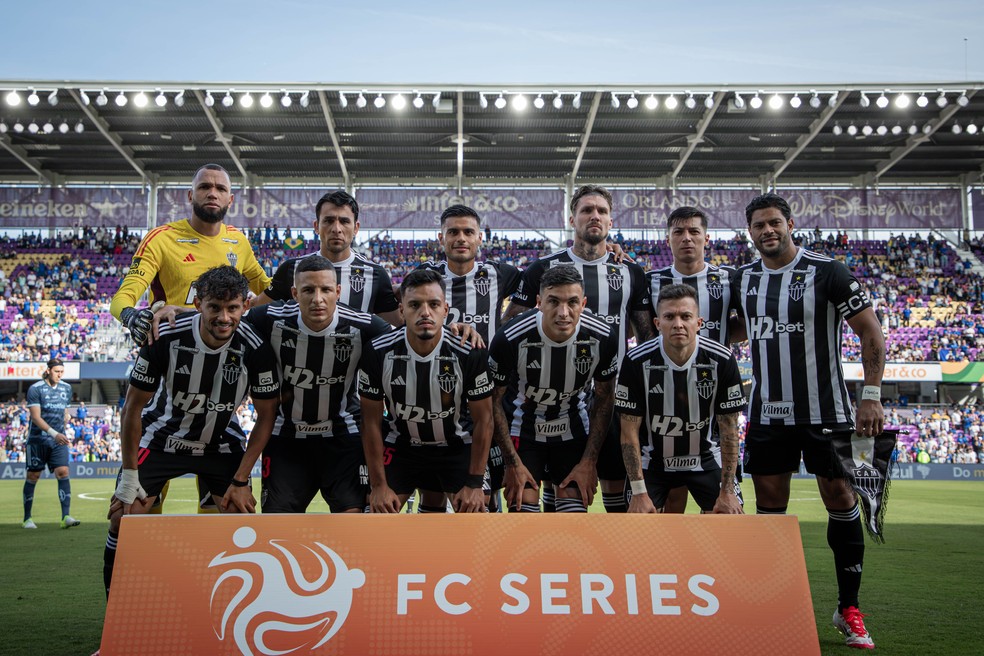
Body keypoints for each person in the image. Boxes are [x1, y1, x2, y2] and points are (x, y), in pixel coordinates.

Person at [732, 193, 885, 650]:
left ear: (790, 223)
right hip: (766, 414)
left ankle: (849, 607)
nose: (767, 231)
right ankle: (773, 605)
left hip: (829, 411)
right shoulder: (743, 279)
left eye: (774, 222)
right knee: (771, 507)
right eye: (758, 225)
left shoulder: (828, 271)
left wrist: (872, 396)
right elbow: (737, 328)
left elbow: (870, 332)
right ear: (750, 232)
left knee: (840, 496)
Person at [102, 266, 280, 595]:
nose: (224, 317)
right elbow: (132, 408)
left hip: (221, 446)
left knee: (240, 522)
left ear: (245, 305)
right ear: (198, 304)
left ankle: (220, 619)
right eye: (215, 307)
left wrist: (241, 480)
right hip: (160, 440)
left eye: (232, 308)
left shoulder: (256, 348)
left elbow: (267, 415)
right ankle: (114, 627)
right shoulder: (165, 334)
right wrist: (129, 474)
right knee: (123, 518)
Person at [109, 163, 272, 513]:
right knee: (141, 508)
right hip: (168, 368)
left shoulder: (237, 241)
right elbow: (123, 297)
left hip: (220, 374)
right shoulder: (162, 238)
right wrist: (135, 315)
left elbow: (267, 291)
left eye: (219, 188)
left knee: (219, 512)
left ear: (231, 197)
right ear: (190, 195)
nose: (211, 193)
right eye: (204, 187)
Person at [503, 184, 652, 513]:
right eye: (586, 210)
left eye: (601, 211)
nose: (594, 216)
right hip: (551, 402)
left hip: (612, 400)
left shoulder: (630, 271)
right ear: (572, 218)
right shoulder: (542, 269)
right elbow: (509, 329)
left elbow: (647, 342)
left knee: (615, 495)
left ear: (611, 222)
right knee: (554, 486)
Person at [246, 255, 390, 513]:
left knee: (353, 520)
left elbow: (408, 339)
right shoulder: (269, 318)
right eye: (308, 290)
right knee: (277, 525)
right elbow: (224, 322)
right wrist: (174, 312)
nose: (318, 299)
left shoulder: (365, 326)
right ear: (294, 293)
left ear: (337, 291)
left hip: (342, 435)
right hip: (286, 436)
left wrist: (455, 328)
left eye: (325, 290)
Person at [359, 268, 493, 513]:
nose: (425, 313)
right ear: (402, 310)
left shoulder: (469, 352)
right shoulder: (377, 352)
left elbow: (484, 420)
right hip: (402, 447)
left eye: (433, 304)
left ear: (445, 309)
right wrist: (378, 485)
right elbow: (370, 422)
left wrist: (474, 483)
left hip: (456, 446)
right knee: (375, 514)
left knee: (478, 514)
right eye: (414, 305)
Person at [417, 204, 522, 512]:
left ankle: (486, 556)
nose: (460, 238)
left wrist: (604, 251)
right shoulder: (424, 279)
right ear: (441, 238)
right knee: (432, 492)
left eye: (468, 232)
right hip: (437, 399)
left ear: (480, 239)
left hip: (488, 400)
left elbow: (546, 277)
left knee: (486, 494)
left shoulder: (501, 274)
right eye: (453, 232)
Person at [490, 265, 620, 512]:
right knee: (522, 508)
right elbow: (493, 401)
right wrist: (511, 463)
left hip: (572, 430)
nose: (563, 312)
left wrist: (589, 462)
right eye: (554, 302)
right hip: (523, 431)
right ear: (539, 302)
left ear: (583, 303)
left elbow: (604, 400)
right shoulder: (510, 337)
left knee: (573, 513)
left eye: (572, 302)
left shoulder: (603, 336)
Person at [617, 284, 744, 514]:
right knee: (637, 528)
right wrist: (638, 492)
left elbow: (729, 429)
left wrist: (727, 492)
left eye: (686, 316)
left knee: (731, 520)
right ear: (657, 323)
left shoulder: (722, 359)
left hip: (706, 460)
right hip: (652, 463)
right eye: (669, 317)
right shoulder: (636, 360)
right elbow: (628, 432)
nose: (678, 324)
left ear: (699, 323)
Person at [647, 205, 741, 512]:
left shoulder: (730, 279)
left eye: (694, 231)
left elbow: (749, 324)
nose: (687, 238)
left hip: (713, 401)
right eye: (678, 232)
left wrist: (717, 347)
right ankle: (665, 561)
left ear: (707, 238)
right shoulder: (648, 280)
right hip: (661, 402)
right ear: (668, 239)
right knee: (669, 503)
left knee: (721, 507)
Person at [254, 190, 401, 325]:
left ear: (356, 228)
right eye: (329, 220)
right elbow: (255, 314)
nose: (336, 229)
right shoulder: (291, 269)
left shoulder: (375, 274)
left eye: (344, 221)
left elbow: (399, 328)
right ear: (316, 226)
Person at [22, 358, 80, 529]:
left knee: (63, 472)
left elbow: (65, 410)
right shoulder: (36, 389)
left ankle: (66, 516)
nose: (60, 374)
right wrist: (55, 433)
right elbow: (36, 417)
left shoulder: (66, 388)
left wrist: (66, 417)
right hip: (38, 440)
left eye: (62, 371)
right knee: (33, 476)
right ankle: (27, 518)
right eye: (57, 371)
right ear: (48, 370)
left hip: (58, 440)